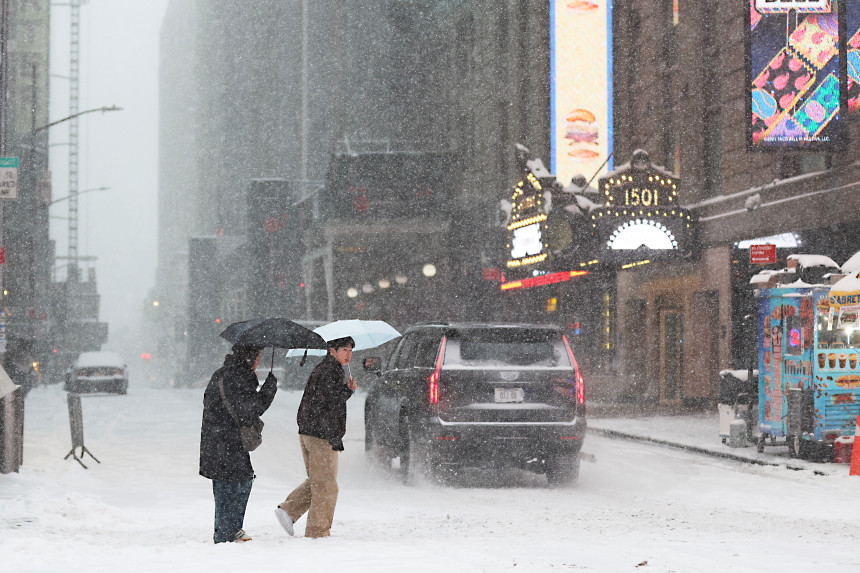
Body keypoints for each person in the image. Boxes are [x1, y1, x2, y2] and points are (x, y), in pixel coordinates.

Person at [275, 336, 357, 538]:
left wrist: (346, 390)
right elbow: (329, 406)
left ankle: (288, 511)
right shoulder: (330, 371)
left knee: (319, 481)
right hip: (320, 435)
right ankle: (317, 532)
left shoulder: (325, 369)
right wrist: (334, 436)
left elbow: (327, 400)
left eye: (350, 350)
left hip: (310, 432)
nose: (348, 354)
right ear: (332, 350)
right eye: (344, 349)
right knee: (326, 486)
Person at [199, 344, 277, 543]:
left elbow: (210, 402)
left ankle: (231, 529)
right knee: (232, 485)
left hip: (216, 439)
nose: (259, 360)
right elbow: (251, 410)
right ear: (249, 357)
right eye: (258, 356)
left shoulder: (222, 373)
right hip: (227, 441)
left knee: (235, 482)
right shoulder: (240, 377)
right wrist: (269, 388)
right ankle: (225, 534)